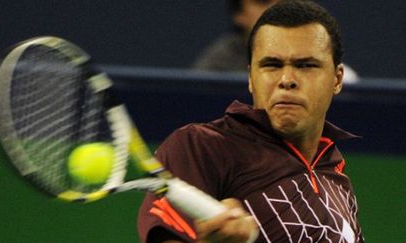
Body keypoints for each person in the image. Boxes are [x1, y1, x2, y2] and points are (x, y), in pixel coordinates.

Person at [138, 0, 364, 242]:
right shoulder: (202, 147)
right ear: (251, 78)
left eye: (306, 65)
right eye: (271, 65)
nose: (287, 79)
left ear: (337, 79)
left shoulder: (336, 176)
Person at [192, 0, 359, 83]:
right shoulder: (214, 69)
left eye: (304, 65)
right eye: (262, 1)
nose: (275, 7)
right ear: (239, 14)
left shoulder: (342, 76)